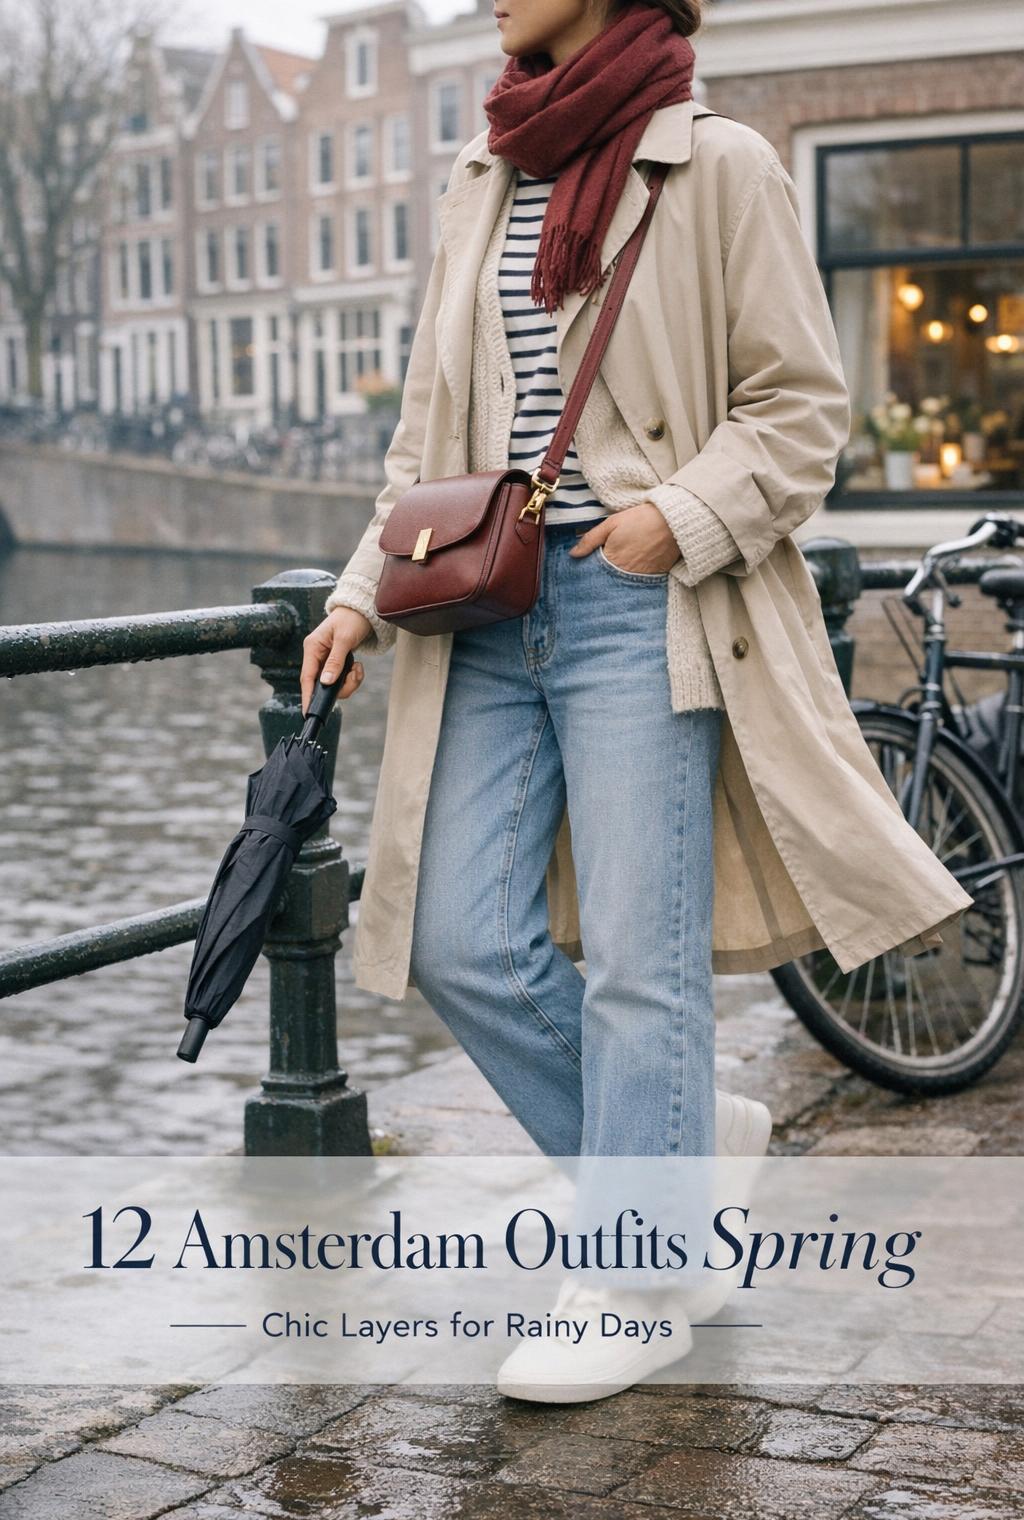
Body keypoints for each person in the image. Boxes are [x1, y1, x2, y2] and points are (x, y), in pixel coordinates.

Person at [300, 0, 966, 1401]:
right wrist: (363, 585)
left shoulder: (718, 165)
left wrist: (676, 516)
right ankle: (677, 1147)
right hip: (485, 605)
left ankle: (643, 1270)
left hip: (639, 609)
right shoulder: (486, 175)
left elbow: (799, 411)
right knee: (450, 933)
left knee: (638, 963)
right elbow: (430, 429)